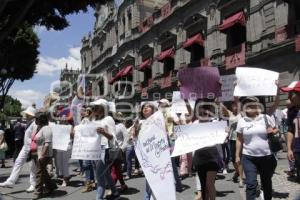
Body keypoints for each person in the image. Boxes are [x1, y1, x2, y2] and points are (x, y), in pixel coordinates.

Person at [236, 96, 278, 200]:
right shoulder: (242, 121)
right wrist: (237, 155)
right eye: (246, 104)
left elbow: (276, 129)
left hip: (266, 156)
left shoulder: (265, 118)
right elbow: (239, 139)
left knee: (266, 182)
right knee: (250, 184)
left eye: (251, 103)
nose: (249, 105)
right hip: (249, 157)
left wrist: (273, 131)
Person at [0, 106, 37, 193]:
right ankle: (11, 181)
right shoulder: (29, 122)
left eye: (28, 114)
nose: (26, 115)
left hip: (31, 147)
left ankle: (33, 184)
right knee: (18, 162)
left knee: (32, 166)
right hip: (25, 147)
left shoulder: (34, 124)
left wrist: (32, 149)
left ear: (32, 115)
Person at [188, 99, 219, 200]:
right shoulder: (194, 124)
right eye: (199, 110)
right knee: (203, 185)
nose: (202, 112)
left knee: (209, 184)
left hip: (212, 157)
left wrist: (225, 132)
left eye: (205, 109)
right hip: (199, 158)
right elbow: (187, 139)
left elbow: (221, 138)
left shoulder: (215, 122)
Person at [91, 98, 119, 200]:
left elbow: (112, 137)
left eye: (97, 107)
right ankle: (115, 192)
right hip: (94, 150)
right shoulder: (94, 120)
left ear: (103, 108)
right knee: (106, 174)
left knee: (99, 175)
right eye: (94, 107)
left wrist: (103, 132)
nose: (94, 108)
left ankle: (99, 198)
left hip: (105, 149)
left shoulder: (108, 119)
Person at [131, 102, 157, 200]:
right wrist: (135, 129)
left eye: (148, 107)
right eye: (144, 108)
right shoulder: (140, 122)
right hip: (146, 156)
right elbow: (134, 138)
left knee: (156, 179)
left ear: (153, 110)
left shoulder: (158, 120)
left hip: (156, 154)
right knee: (149, 179)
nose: (145, 109)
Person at [158, 99, 183, 192]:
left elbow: (179, 123)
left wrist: (173, 120)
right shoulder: (158, 114)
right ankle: (166, 184)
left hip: (170, 140)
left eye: (161, 103)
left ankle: (178, 184)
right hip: (160, 141)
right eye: (159, 104)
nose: (159, 105)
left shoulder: (171, 112)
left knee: (171, 162)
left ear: (166, 105)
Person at [31, 111, 57, 199]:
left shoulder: (46, 128)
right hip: (38, 153)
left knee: (39, 172)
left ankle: (39, 192)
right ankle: (51, 186)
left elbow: (47, 143)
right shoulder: (40, 128)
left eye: (36, 118)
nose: (35, 120)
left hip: (44, 154)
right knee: (43, 172)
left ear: (41, 119)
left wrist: (42, 155)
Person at [281, 81, 300, 183]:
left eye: (291, 94)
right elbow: (290, 130)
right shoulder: (292, 111)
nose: (289, 97)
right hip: (298, 149)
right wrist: (289, 149)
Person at [111, 112, 128, 192]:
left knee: (114, 169)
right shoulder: (108, 127)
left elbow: (126, 137)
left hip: (118, 151)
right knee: (117, 169)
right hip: (109, 151)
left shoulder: (120, 126)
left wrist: (122, 149)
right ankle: (123, 184)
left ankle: (112, 188)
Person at [80, 106, 95, 193]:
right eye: (87, 111)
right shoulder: (84, 120)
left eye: (89, 111)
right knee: (87, 164)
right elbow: (80, 129)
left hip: (93, 145)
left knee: (89, 165)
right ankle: (89, 182)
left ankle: (90, 182)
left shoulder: (94, 121)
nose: (87, 112)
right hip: (85, 145)